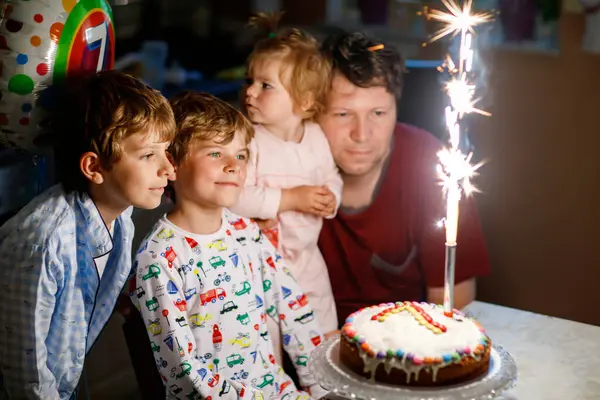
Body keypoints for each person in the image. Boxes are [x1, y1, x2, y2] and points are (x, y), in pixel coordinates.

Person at [129, 91, 328, 399]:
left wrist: (320, 387)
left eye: (241, 155)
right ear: (173, 163)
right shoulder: (159, 259)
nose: (234, 165)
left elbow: (295, 310)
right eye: (215, 153)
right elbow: (183, 374)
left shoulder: (246, 232)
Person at [0, 70, 175, 399]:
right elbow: (26, 373)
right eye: (149, 155)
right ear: (94, 168)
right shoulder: (42, 242)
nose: (168, 168)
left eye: (166, 151)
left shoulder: (121, 216)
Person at [318, 32, 491, 325]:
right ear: (312, 113)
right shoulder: (278, 170)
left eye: (378, 112)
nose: (361, 135)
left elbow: (455, 312)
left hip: (408, 351)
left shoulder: (437, 171)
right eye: (343, 114)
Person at [230, 12, 342, 360]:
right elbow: (235, 197)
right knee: (266, 344)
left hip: (307, 258)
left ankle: (325, 389)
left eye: (265, 86)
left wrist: (330, 198)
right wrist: (292, 198)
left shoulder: (316, 138)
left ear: (305, 101)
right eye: (250, 81)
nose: (250, 92)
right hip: (259, 264)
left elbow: (331, 177)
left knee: (324, 333)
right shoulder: (249, 141)